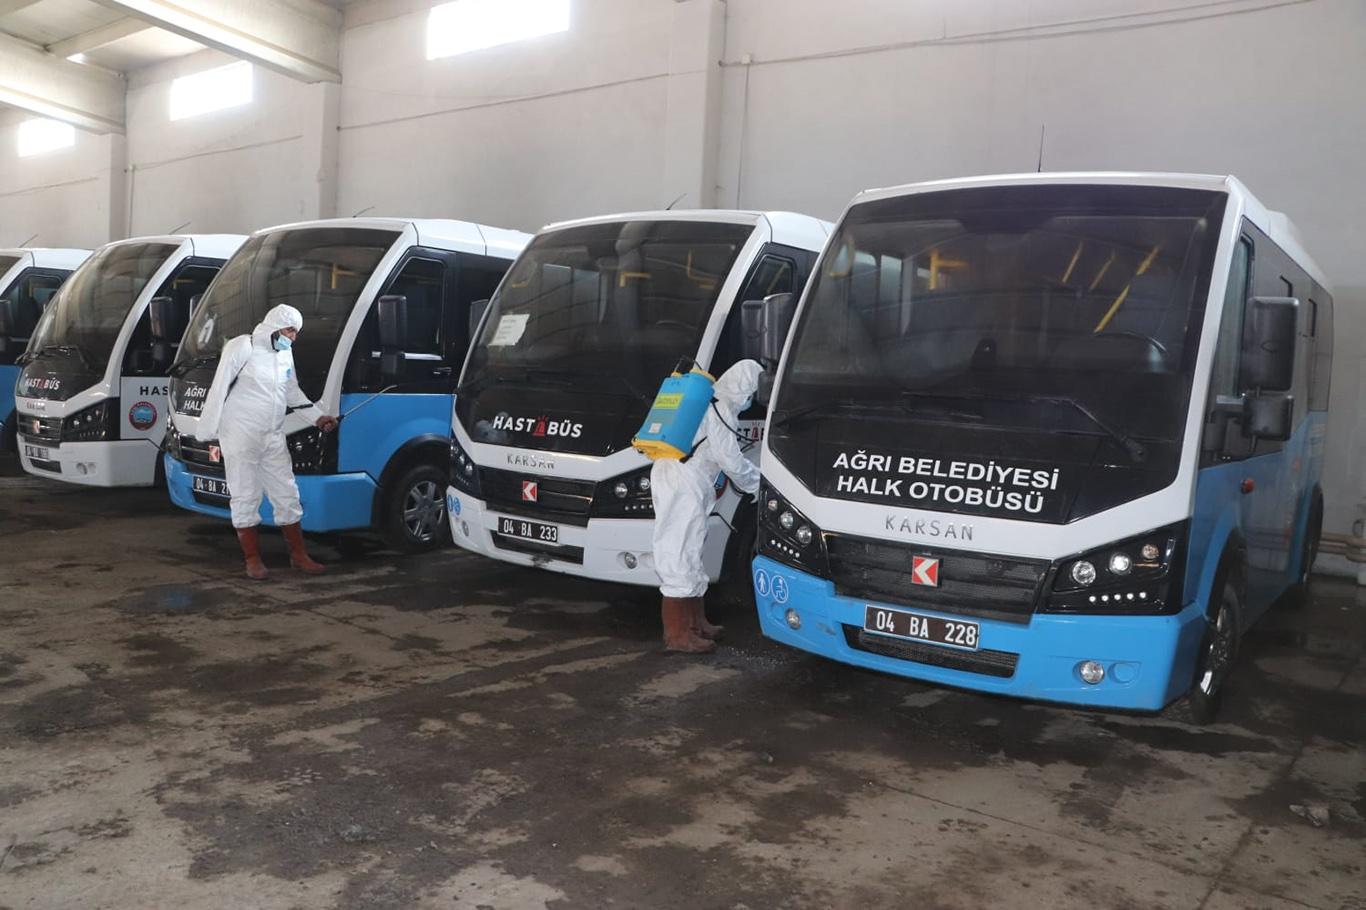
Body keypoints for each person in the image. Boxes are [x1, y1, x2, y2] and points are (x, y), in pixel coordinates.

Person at [197, 304, 339, 580]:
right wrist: (207, 430)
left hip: (272, 434)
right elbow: (219, 387)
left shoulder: (285, 354)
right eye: (290, 330)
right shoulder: (243, 346)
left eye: (296, 332)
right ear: (274, 326)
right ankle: (252, 560)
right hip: (241, 433)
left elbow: (291, 392)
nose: (293, 337)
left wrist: (317, 418)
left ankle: (298, 556)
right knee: (245, 494)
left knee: (287, 493)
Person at [650, 359, 763, 653]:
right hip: (682, 480)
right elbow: (731, 462)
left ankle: (697, 623)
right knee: (678, 554)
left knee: (691, 551)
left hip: (682, 477)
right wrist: (760, 485)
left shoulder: (709, 403)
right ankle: (677, 635)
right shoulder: (720, 408)